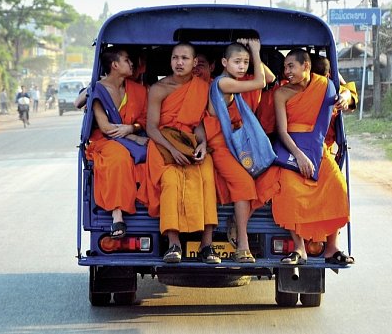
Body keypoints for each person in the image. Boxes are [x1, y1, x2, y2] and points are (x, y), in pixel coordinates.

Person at [254, 49, 354, 266]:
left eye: (291, 66)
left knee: (336, 183)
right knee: (289, 187)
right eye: (285, 67)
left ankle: (331, 247)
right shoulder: (281, 92)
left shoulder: (325, 85)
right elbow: (282, 131)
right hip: (291, 149)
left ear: (306, 66)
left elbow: (346, 93)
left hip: (318, 149)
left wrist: (345, 97)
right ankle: (299, 248)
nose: (286, 71)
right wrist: (298, 156)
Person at [144, 42, 219, 264]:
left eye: (185, 58)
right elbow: (151, 127)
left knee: (206, 176)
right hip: (162, 145)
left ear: (194, 62)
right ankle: (173, 244)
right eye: (175, 58)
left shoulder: (202, 87)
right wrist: (171, 149)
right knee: (171, 181)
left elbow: (198, 123)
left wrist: (203, 143)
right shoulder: (159, 89)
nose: (179, 62)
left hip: (189, 142)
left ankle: (207, 244)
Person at [204, 39, 266, 263]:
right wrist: (255, 51)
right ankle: (243, 243)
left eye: (246, 63)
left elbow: (267, 78)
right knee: (245, 184)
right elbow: (260, 82)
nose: (242, 67)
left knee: (255, 182)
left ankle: (238, 232)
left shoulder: (231, 81)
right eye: (237, 62)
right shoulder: (223, 84)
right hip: (220, 146)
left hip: (232, 146)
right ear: (224, 62)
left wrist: (252, 56)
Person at [85, 47, 149, 238]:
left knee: (155, 154)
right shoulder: (99, 90)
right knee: (119, 157)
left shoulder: (138, 91)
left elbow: (144, 120)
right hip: (105, 141)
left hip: (129, 137)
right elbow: (106, 128)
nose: (131, 64)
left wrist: (132, 128)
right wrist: (133, 137)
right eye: (127, 59)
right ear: (114, 65)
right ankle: (117, 215)